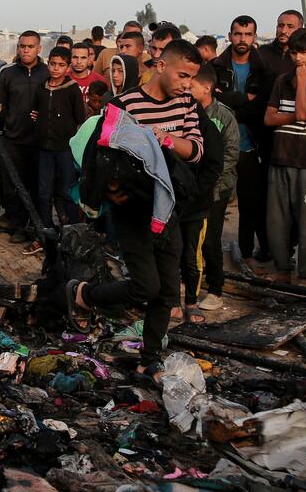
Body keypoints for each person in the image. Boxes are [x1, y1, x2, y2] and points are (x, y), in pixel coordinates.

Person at [67, 39, 204, 381]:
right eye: (183, 75)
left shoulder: (186, 103)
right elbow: (100, 158)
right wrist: (115, 195)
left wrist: (165, 140)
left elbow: (196, 150)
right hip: (133, 213)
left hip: (168, 210)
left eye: (192, 77)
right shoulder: (123, 105)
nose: (188, 84)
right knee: (145, 287)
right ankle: (83, 294)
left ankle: (149, 358)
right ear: (161, 65)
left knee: (168, 292)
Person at [263, 27, 306, 284]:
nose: (298, 58)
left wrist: (302, 82)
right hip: (280, 157)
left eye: (303, 52)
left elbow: (304, 111)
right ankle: (282, 269)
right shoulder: (282, 81)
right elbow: (269, 118)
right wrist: (298, 116)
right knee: (276, 220)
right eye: (293, 53)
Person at [211, 15, 272, 267]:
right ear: (230, 36)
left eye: (247, 34)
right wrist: (244, 98)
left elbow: (262, 107)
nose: (242, 39)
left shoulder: (263, 71)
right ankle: (211, 256)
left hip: (250, 146)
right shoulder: (216, 67)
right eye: (238, 34)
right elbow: (212, 101)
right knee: (216, 203)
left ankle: (246, 253)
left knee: (250, 206)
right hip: (221, 148)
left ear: (254, 37)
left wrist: (232, 104)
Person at [191, 64, 239, 311]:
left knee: (211, 240)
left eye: (192, 84)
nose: (187, 88)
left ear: (207, 87)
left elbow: (231, 153)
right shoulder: (187, 111)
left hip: (217, 188)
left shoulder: (223, 116)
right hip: (193, 187)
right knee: (192, 239)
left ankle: (215, 290)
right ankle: (190, 285)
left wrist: (210, 177)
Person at [0, 31, 50, 241]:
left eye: (30, 47)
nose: (26, 50)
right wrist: (6, 126)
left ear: (39, 49)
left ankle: (36, 228)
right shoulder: (8, 73)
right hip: (13, 140)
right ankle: (17, 226)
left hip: (40, 142)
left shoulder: (47, 73)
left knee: (38, 187)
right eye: (22, 46)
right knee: (13, 187)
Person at [30, 46, 88, 251]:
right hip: (44, 148)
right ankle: (45, 232)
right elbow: (35, 112)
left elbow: (80, 119)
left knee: (68, 191)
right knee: (43, 193)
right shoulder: (41, 88)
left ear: (67, 67)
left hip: (65, 149)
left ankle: (73, 234)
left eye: (61, 65)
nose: (56, 68)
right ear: (48, 64)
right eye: (53, 64)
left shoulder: (72, 90)